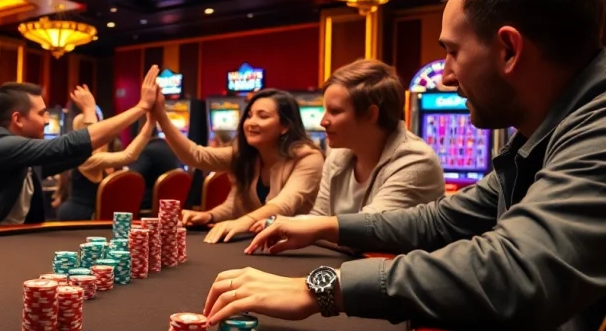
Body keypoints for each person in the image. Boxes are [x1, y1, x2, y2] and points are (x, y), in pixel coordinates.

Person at [205, 0, 606, 331]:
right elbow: (442, 220)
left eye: (453, 53)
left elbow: (518, 269)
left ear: (508, 48)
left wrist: (319, 287)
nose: (446, 77)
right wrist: (325, 224)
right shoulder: (546, 134)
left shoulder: (599, 129)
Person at [0, 69, 160, 228]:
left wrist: (146, 118)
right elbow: (68, 145)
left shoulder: (22, 154)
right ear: (18, 119)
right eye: (42, 114)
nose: (48, 120)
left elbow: (76, 151)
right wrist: (140, 107)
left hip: (5, 242)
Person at [248, 59, 444, 231]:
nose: (323, 121)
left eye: (334, 111)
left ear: (370, 115)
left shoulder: (416, 161)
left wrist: (296, 225)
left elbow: (370, 227)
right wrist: (277, 223)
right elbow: (320, 217)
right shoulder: (338, 153)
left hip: (393, 270)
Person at [156, 88, 324, 244]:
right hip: (258, 243)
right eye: (249, 115)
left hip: (298, 247)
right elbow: (196, 156)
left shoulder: (308, 158)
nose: (251, 122)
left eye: (263, 116)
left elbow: (283, 205)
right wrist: (209, 216)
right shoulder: (246, 156)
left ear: (285, 126)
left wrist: (243, 222)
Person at [56, 112, 155, 220]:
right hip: (79, 215)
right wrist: (149, 124)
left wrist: (150, 124)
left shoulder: (103, 154)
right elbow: (129, 156)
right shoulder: (87, 158)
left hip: (97, 214)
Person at [129, 118, 183, 211]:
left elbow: (132, 179)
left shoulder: (146, 150)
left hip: (150, 204)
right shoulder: (171, 147)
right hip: (170, 205)